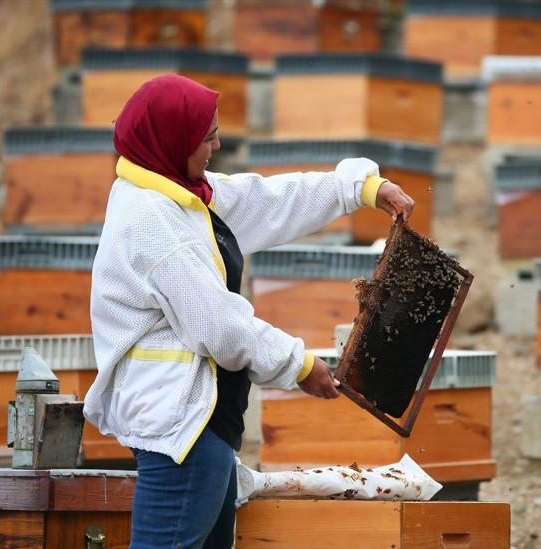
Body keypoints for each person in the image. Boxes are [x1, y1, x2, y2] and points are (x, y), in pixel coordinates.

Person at [82, 74, 415, 549]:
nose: (217, 143)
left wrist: (357, 188)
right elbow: (220, 326)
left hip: (201, 426)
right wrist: (297, 365)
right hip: (182, 433)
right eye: (207, 135)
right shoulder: (153, 224)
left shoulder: (179, 194)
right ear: (173, 139)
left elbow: (266, 201)